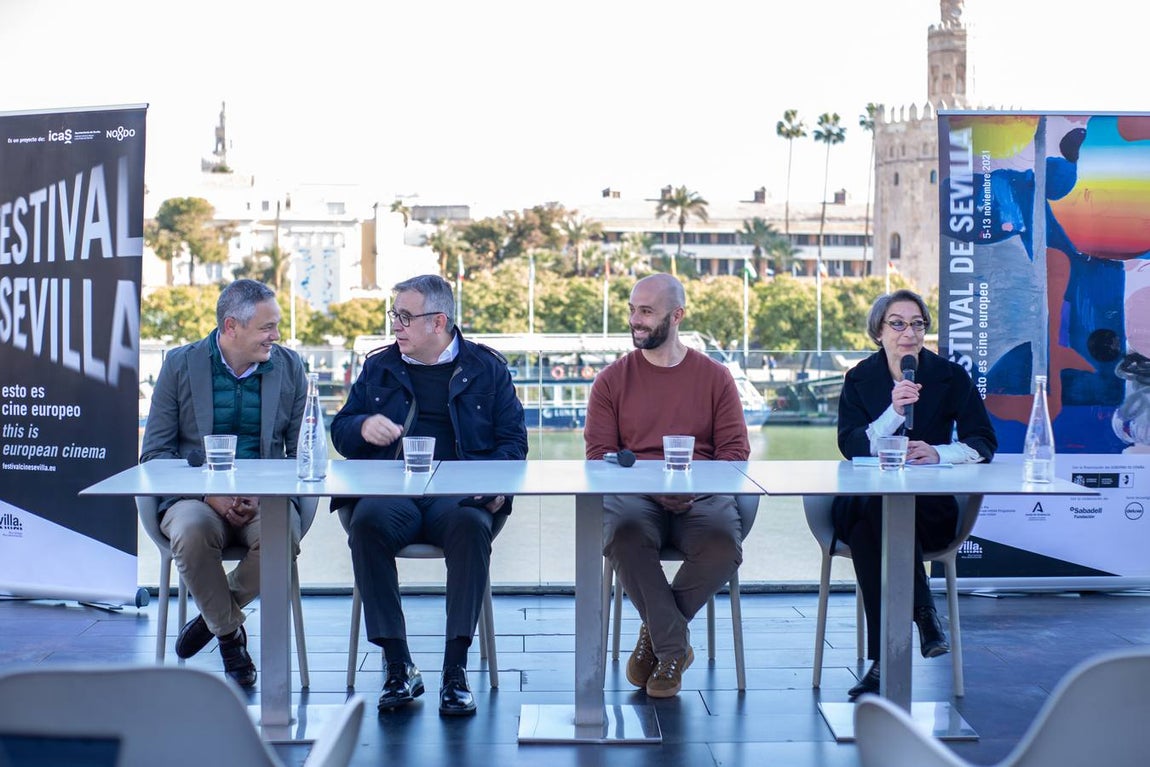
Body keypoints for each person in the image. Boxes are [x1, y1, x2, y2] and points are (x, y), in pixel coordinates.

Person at [330, 274, 527, 717]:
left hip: (458, 495)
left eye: (404, 316)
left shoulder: (487, 368)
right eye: (393, 315)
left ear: (438, 321)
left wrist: (494, 487)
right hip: (393, 490)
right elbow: (340, 431)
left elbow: (514, 444)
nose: (395, 326)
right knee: (366, 524)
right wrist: (362, 427)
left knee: (471, 526)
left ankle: (454, 671)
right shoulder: (378, 366)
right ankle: (399, 667)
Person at [584, 273, 750, 699]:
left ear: (677, 316)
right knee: (623, 535)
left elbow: (735, 452)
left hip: (703, 494)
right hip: (637, 498)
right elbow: (599, 457)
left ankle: (653, 636)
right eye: (632, 310)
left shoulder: (715, 378)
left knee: (721, 544)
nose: (635, 320)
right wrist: (653, 486)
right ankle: (673, 647)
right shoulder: (610, 381)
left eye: (646, 311)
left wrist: (693, 485)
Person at [140, 279, 307, 688]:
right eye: (267, 327)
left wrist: (262, 491)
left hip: (264, 497)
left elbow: (303, 456)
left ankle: (214, 618)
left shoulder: (290, 368)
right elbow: (154, 454)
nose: (276, 336)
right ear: (232, 327)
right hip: (195, 498)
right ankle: (231, 638)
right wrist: (209, 494)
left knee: (281, 535)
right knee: (192, 531)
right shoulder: (179, 365)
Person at [832, 289, 997, 699]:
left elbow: (983, 441)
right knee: (875, 514)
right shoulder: (859, 378)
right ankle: (925, 615)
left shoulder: (948, 375)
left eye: (918, 323)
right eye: (898, 323)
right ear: (879, 331)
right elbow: (849, 444)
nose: (909, 333)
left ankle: (882, 664)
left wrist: (938, 453)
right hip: (867, 502)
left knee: (874, 530)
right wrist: (893, 413)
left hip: (930, 510)